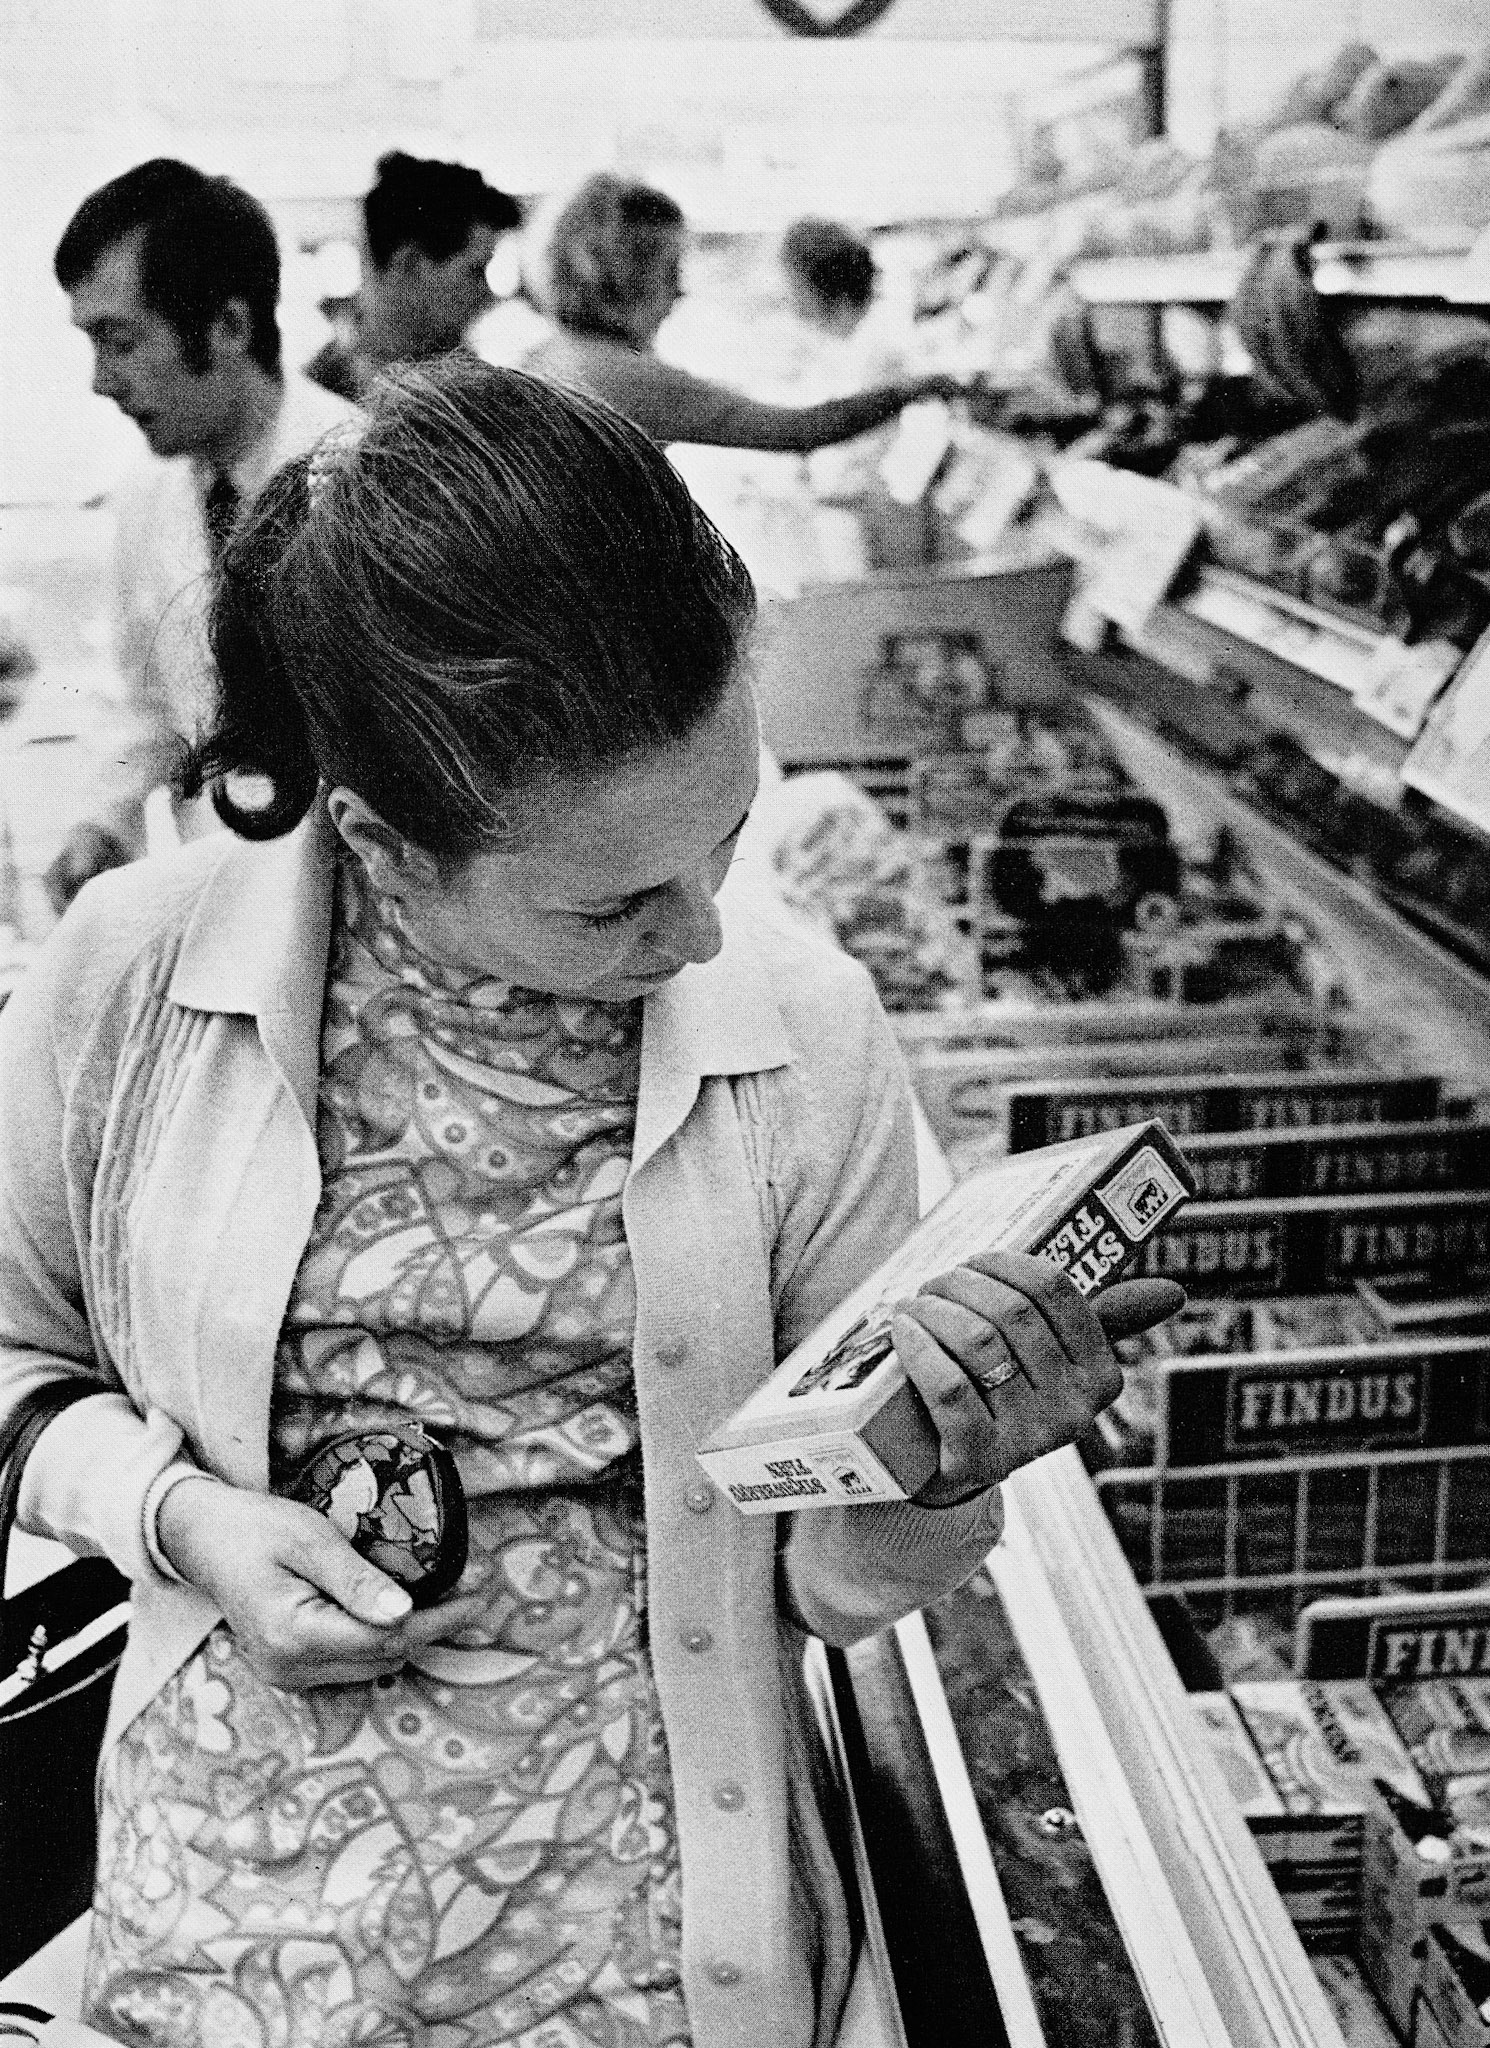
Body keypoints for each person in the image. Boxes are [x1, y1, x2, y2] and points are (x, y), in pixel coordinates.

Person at [0, 358, 1183, 2048]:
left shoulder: (805, 1031)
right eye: (616, 897)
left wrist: (937, 1469)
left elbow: (829, 1584)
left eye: (728, 841)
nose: (701, 934)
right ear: (382, 841)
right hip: (224, 1919)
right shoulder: (131, 978)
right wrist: (184, 1519)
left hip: (652, 1941)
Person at [45, 158, 358, 912]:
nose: (100, 382)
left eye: (120, 342)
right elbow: (151, 703)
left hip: (360, 902)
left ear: (228, 327)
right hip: (218, 895)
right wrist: (103, 824)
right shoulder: (146, 495)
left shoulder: (366, 478)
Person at [526, 171, 967, 452]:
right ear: (619, 277)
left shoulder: (560, 356)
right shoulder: (612, 371)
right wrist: (909, 391)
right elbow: (797, 430)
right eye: (668, 271)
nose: (679, 292)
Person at [305, 150, 524, 402]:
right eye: (476, 270)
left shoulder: (475, 380)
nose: (489, 295)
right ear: (410, 264)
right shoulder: (317, 396)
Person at [778, 218, 880, 342]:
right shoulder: (862, 332)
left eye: (800, 299)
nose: (799, 314)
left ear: (842, 300)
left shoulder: (869, 343)